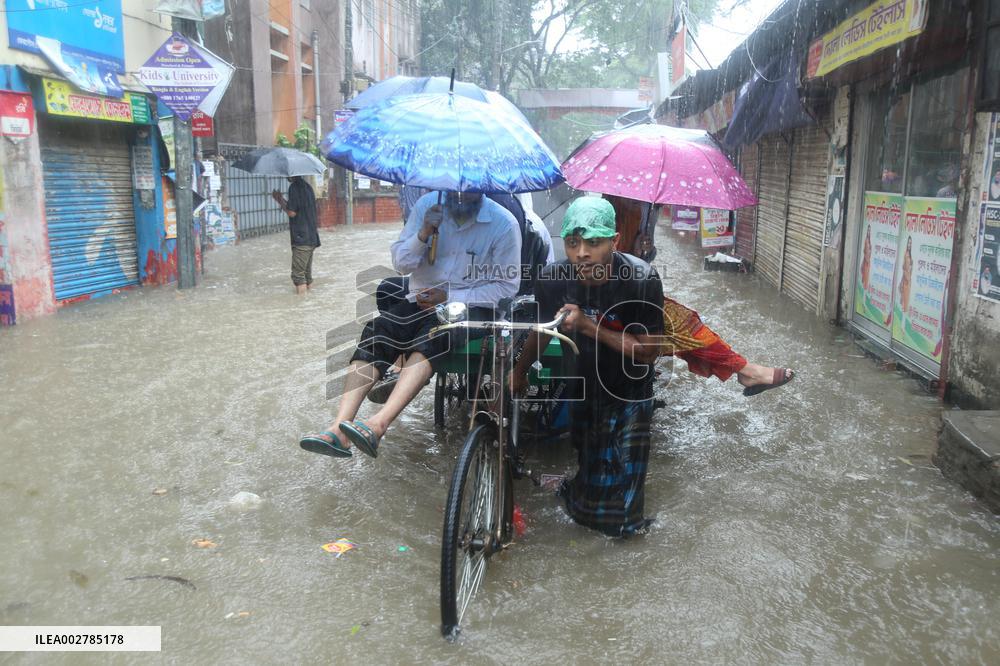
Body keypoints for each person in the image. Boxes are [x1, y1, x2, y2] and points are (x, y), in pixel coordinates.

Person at [299, 191, 521, 458]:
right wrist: (424, 233)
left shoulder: (503, 223)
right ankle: (339, 428)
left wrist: (450, 295)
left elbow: (507, 288)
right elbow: (401, 264)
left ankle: (378, 424)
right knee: (377, 331)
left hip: (473, 308)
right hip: (420, 300)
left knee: (433, 336)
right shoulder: (427, 206)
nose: (460, 195)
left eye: (469, 189)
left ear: (482, 188)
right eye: (454, 188)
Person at [510, 197, 666, 536]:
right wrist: (519, 373)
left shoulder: (641, 279)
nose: (582, 252)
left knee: (625, 511)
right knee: (589, 487)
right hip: (582, 387)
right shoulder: (553, 279)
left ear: (615, 241)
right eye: (572, 243)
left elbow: (649, 353)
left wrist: (588, 327)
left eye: (594, 242)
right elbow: (541, 332)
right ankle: (576, 495)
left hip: (630, 392)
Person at [272, 176, 320, 294]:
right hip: (312, 237)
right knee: (307, 276)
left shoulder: (294, 188)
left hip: (301, 238)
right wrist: (282, 200)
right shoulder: (307, 187)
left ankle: (301, 305)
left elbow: (292, 212)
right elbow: (298, 208)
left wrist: (279, 200)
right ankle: (309, 304)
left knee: (298, 277)